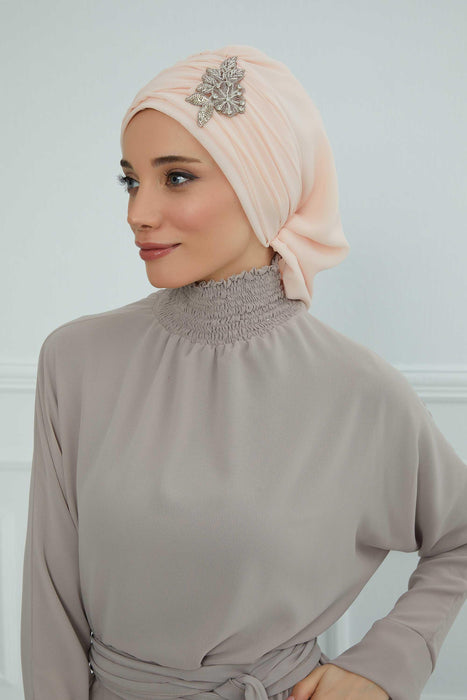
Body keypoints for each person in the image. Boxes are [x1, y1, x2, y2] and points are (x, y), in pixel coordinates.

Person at [20, 45, 467, 700]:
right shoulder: (76, 359)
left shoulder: (358, 389)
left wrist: (384, 664)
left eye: (176, 177)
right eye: (130, 180)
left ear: (261, 183)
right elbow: (50, 605)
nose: (137, 212)